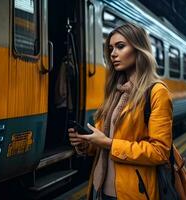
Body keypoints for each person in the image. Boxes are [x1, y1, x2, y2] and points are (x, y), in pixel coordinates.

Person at [68, 23, 173, 200]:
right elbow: (102, 141)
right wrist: (86, 143)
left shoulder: (157, 92)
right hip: (99, 189)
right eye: (110, 48)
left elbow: (160, 152)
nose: (113, 54)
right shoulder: (116, 91)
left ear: (139, 49)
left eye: (120, 46)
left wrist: (109, 143)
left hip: (131, 193)